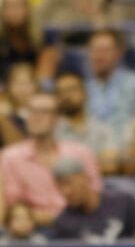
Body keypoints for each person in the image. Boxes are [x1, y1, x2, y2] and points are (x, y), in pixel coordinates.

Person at [0, 92, 102, 225]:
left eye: (44, 112)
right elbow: (12, 205)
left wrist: (60, 217)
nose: (36, 117)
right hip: (31, 231)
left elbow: (94, 196)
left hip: (80, 226)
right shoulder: (10, 157)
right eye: (31, 112)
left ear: (57, 119)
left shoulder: (81, 153)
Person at [52, 156, 135, 242]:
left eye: (68, 182)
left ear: (86, 178)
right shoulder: (64, 222)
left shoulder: (124, 202)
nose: (65, 191)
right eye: (59, 186)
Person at [84, 28, 135, 137]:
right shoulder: (81, 89)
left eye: (105, 50)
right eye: (95, 50)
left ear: (118, 53)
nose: (99, 56)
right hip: (90, 147)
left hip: (128, 147)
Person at [53, 69, 121, 174]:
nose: (66, 96)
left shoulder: (103, 129)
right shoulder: (51, 132)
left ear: (85, 93)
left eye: (71, 90)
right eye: (60, 92)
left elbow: (109, 166)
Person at [0, 0, 42, 73]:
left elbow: (44, 75)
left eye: (17, 6)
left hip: (34, 82)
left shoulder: (42, 37)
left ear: (28, 10)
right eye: (7, 7)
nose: (12, 11)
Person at [0, 61, 37, 140]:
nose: (22, 89)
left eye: (27, 83)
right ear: (9, 86)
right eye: (17, 83)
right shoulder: (4, 111)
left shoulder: (44, 109)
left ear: (36, 85)